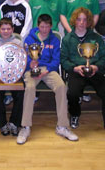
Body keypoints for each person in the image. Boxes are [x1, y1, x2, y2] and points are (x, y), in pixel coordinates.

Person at [60, 7, 105, 143]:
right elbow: (63, 60)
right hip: (77, 71)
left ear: (89, 22)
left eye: (85, 20)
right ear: (75, 21)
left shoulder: (96, 37)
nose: (81, 22)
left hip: (94, 71)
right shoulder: (68, 39)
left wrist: (95, 66)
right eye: (79, 19)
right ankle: (74, 114)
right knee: (72, 93)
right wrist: (74, 68)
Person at [17, 14, 78, 144]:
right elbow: (25, 57)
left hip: (49, 70)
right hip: (31, 70)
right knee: (30, 88)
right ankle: (25, 126)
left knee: (61, 86)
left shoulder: (54, 39)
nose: (44, 29)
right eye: (42, 26)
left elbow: (56, 61)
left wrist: (46, 71)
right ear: (38, 26)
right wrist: (31, 63)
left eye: (47, 27)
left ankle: (62, 126)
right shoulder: (29, 38)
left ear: (51, 26)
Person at [0, 18, 24, 136]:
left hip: (15, 74)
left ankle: (14, 122)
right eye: (3, 29)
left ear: (13, 29)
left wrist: (15, 75)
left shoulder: (18, 42)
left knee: (21, 91)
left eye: (8, 29)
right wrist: (1, 75)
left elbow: (21, 60)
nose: (5, 31)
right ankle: (2, 123)